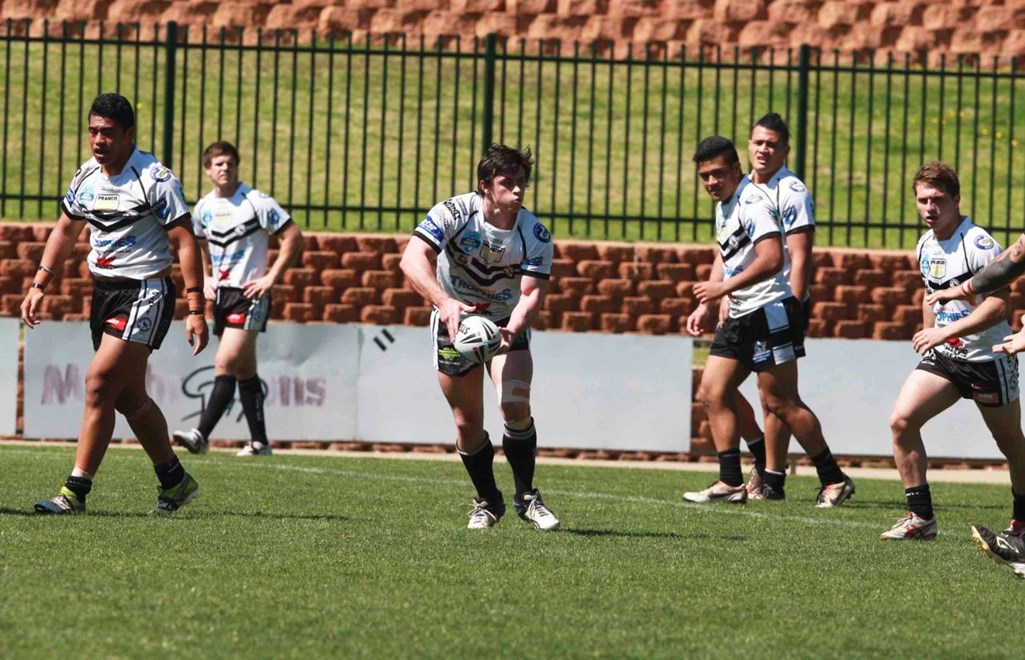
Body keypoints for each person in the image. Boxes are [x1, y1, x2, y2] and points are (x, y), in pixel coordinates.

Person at [20, 93, 208, 515]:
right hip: (104, 292)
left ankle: (74, 492)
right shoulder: (86, 175)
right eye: (93, 131)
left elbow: (184, 241)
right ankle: (175, 480)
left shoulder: (154, 179)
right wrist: (39, 284)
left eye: (107, 132)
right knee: (127, 397)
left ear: (128, 134)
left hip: (145, 292)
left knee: (99, 383)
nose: (98, 140)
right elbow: (65, 231)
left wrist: (196, 308)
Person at [684, 135, 854, 507]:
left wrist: (722, 288)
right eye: (705, 176)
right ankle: (731, 481)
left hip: (769, 311)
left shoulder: (753, 202)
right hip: (741, 313)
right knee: (712, 392)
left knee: (781, 402)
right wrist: (710, 302)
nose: (711, 182)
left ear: (736, 169)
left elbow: (773, 258)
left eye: (718, 173)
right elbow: (729, 255)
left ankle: (834, 478)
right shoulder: (725, 204)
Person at [399, 143, 560, 531]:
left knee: (515, 405)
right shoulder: (454, 213)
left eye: (522, 182)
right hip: (456, 323)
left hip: (506, 323)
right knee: (466, 423)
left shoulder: (534, 233)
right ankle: (488, 501)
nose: (518, 190)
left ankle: (527, 498)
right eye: (508, 182)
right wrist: (445, 303)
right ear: (485, 185)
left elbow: (531, 294)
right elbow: (412, 259)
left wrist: (512, 329)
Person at [881, 162, 1025, 541]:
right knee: (901, 421)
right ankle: (920, 517)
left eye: (938, 200)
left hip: (988, 359)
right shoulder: (925, 244)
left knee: (1010, 443)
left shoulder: (978, 245)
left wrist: (943, 333)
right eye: (922, 200)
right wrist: (931, 331)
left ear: (956, 199)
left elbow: (999, 307)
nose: (930, 208)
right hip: (946, 358)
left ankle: (1022, 523)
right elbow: (930, 293)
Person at [171, 141, 303, 457]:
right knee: (244, 369)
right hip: (222, 296)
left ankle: (201, 435)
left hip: (250, 294)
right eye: (218, 164)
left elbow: (293, 237)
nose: (225, 168)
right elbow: (197, 245)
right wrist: (206, 277)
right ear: (207, 170)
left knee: (225, 362)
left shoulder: (256, 202)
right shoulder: (203, 208)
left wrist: (271, 277)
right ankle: (260, 443)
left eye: (230, 163)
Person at [731, 112, 819, 500]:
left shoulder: (791, 191)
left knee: (775, 397)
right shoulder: (740, 187)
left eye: (772, 144)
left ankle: (773, 477)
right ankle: (764, 465)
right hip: (743, 303)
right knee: (718, 390)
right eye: (758, 142)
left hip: (777, 303)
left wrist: (793, 308)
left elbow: (799, 256)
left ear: (785, 150)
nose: (763, 150)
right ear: (748, 145)